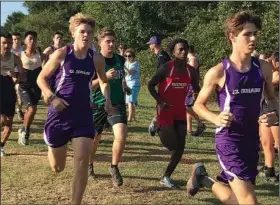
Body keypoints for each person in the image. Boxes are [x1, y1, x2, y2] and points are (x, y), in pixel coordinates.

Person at [186, 11, 279, 205]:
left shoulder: (263, 68)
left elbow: (272, 99)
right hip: (229, 140)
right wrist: (215, 118)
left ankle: (202, 178)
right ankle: (203, 177)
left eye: (255, 33)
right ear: (232, 36)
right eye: (247, 34)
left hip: (252, 140)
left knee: (235, 200)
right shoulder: (219, 72)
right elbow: (198, 104)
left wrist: (274, 114)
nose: (253, 38)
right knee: (249, 201)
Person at [37, 13, 112, 205]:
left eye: (89, 32)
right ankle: (51, 144)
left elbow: (103, 81)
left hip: (83, 114)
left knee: (81, 160)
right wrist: (52, 97)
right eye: (82, 32)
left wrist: (107, 99)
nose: (85, 35)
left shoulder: (96, 60)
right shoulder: (62, 54)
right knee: (57, 167)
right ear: (74, 34)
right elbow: (41, 78)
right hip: (59, 115)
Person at [148, 38, 200, 188]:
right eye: (180, 50)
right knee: (171, 145)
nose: (184, 52)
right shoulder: (166, 68)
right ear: (173, 52)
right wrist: (160, 101)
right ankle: (157, 126)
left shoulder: (191, 71)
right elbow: (151, 85)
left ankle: (166, 176)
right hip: (165, 110)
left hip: (179, 111)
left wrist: (200, 95)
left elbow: (196, 88)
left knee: (180, 146)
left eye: (186, 49)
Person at [88, 27, 131, 187]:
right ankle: (89, 164)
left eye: (113, 41)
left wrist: (124, 86)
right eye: (108, 41)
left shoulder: (120, 59)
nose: (111, 44)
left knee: (121, 134)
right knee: (94, 139)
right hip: (97, 104)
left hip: (116, 103)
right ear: (100, 43)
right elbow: (88, 86)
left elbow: (121, 78)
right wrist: (104, 77)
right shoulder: (94, 61)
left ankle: (114, 167)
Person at [17, 31, 46, 145]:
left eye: (34, 39)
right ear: (25, 41)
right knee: (32, 109)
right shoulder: (20, 55)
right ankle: (26, 132)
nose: (32, 41)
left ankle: (23, 129)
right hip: (25, 86)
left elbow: (49, 62)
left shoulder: (40, 54)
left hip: (36, 86)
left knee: (32, 111)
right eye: (30, 39)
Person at [0, 33, 25, 156]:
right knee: (2, 120)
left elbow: (23, 76)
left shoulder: (15, 58)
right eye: (4, 42)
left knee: (9, 123)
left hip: (9, 91)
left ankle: (1, 146)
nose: (7, 45)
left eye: (9, 43)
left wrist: (16, 76)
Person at [258, 51, 279, 183]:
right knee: (266, 142)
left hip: (277, 111)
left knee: (278, 143)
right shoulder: (269, 71)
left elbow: (272, 82)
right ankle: (269, 170)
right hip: (265, 109)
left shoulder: (274, 75)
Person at [147, 36, 171, 136]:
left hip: (165, 87)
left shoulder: (162, 57)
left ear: (154, 45)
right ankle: (156, 126)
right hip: (166, 86)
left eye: (150, 44)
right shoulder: (162, 55)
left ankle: (155, 126)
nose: (149, 46)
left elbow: (163, 73)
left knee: (162, 108)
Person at [185, 45, 206, 136]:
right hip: (187, 87)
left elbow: (190, 75)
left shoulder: (192, 59)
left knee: (187, 106)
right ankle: (195, 126)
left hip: (192, 88)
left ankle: (200, 124)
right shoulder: (189, 59)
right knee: (188, 107)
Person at [124, 48, 141, 122]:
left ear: (133, 56)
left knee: (130, 102)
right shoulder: (126, 62)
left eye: (129, 56)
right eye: (126, 56)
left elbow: (130, 72)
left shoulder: (135, 63)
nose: (127, 57)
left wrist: (123, 66)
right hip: (128, 83)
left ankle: (129, 118)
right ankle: (133, 117)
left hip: (134, 83)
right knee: (132, 101)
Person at [11, 32, 25, 120]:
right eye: (14, 39)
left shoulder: (24, 49)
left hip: (20, 74)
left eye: (18, 39)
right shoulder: (8, 50)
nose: (16, 41)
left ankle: (19, 109)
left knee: (20, 93)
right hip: (9, 74)